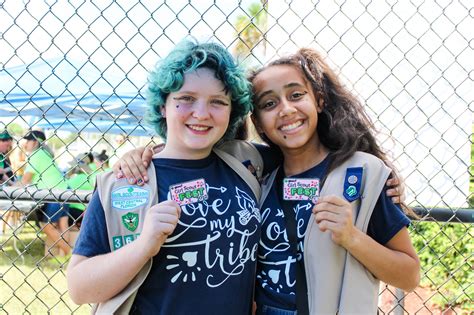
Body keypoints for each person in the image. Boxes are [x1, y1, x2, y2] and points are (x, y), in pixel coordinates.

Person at [114, 48, 419, 314]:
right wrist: (146, 152)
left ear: (320, 100)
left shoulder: (359, 176)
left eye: (296, 95)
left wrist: (353, 237)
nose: (286, 110)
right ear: (256, 121)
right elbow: (188, 148)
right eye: (269, 103)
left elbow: (409, 275)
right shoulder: (256, 173)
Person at [67, 40, 261, 314]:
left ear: (232, 113)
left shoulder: (249, 164)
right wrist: (144, 245)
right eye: (186, 99)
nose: (202, 113)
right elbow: (79, 288)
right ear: (163, 106)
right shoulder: (124, 181)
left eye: (218, 102)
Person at [20, 130, 70, 255]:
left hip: (54, 195)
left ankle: (69, 252)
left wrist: (9, 186)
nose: (25, 143)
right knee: (63, 225)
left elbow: (25, 180)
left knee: (46, 225)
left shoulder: (35, 155)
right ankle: (64, 256)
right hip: (65, 191)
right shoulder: (45, 153)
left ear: (35, 142)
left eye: (28, 140)